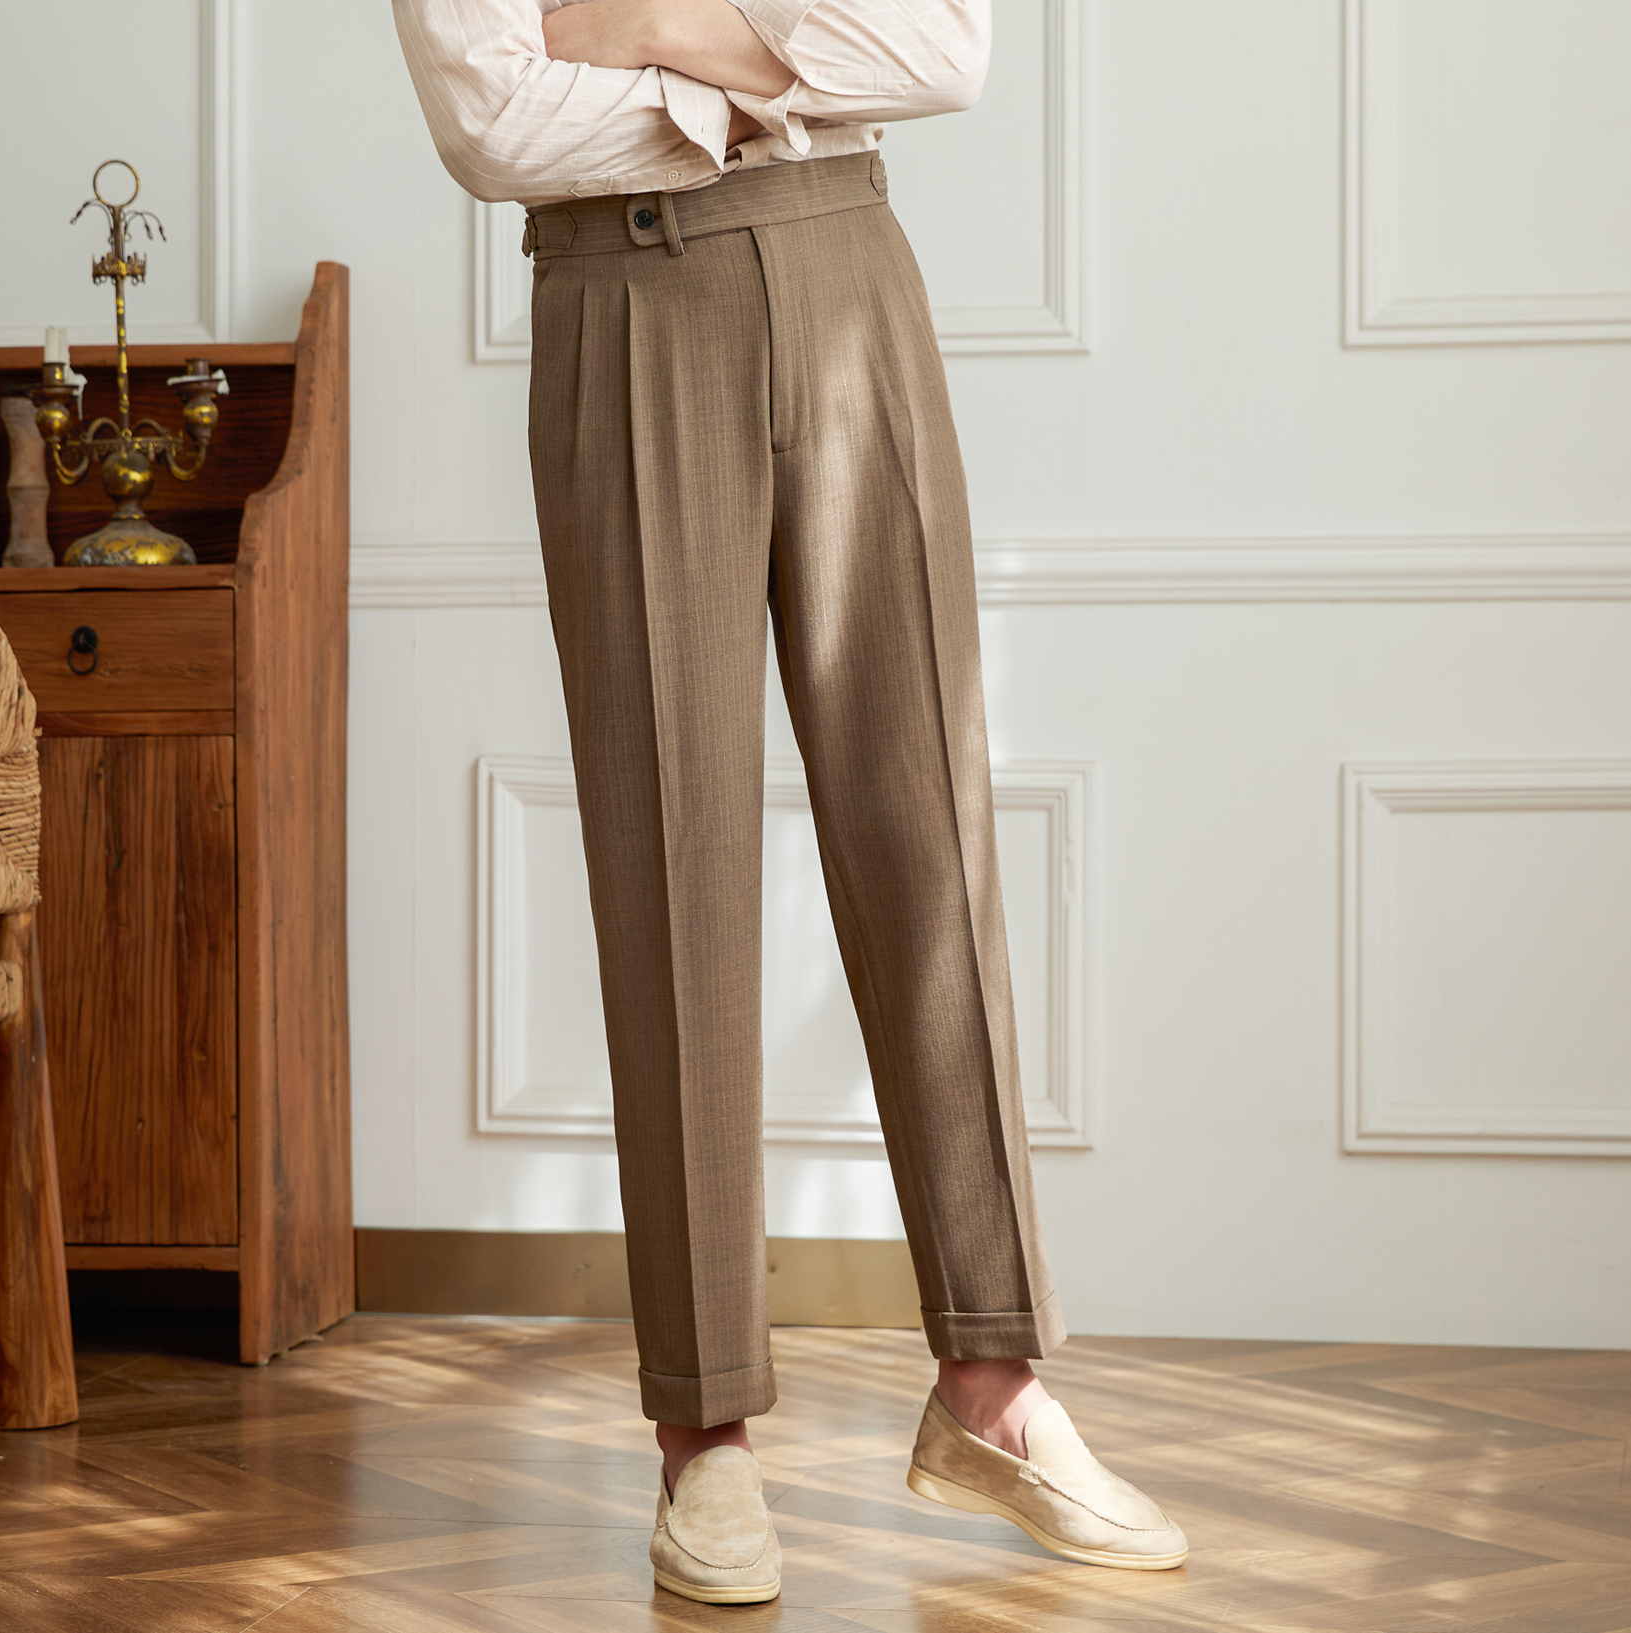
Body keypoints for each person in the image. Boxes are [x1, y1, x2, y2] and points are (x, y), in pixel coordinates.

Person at [393, 0, 1187, 1602]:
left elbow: (939, 51)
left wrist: (645, 30)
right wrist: (768, 76)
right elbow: (493, 124)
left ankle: (993, 1386)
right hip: (621, 300)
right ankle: (703, 1433)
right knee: (668, 861)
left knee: (925, 835)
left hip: (847, 271)